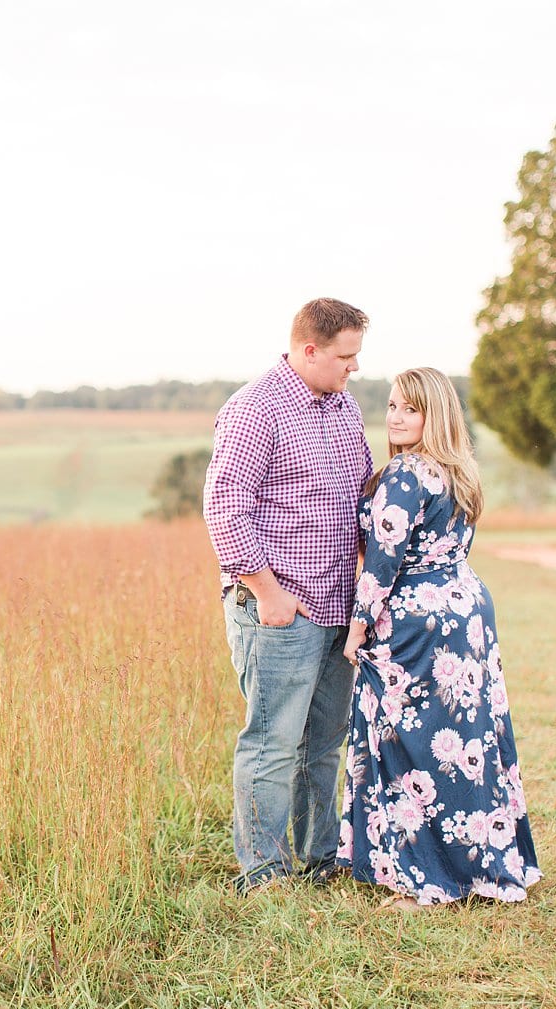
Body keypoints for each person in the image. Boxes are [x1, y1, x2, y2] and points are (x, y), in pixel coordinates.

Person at [337, 367, 541, 908]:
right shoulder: (458, 471)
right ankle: (483, 865)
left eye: (410, 408)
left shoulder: (405, 474)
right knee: (468, 741)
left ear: (435, 415)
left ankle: (420, 877)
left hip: (415, 624)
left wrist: (357, 629)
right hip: (465, 610)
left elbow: (382, 564)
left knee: (408, 746)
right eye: (392, 406)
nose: (396, 417)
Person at [203, 297, 374, 895]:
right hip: (279, 609)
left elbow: (362, 496)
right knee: (273, 746)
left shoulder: (344, 407)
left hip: (337, 606)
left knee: (323, 746)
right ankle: (265, 875)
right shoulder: (256, 409)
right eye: (345, 357)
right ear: (309, 350)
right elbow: (225, 508)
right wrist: (265, 590)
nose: (354, 368)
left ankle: (321, 859)